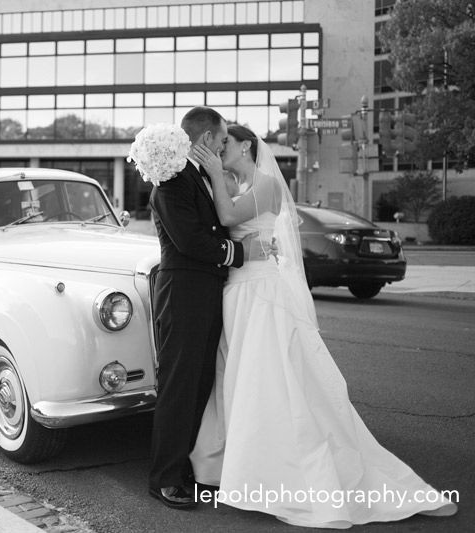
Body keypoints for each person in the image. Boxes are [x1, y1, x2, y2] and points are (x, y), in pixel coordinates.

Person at [189, 124, 458, 528]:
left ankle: (285, 474)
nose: (219, 149)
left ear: (246, 146)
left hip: (262, 294)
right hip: (236, 294)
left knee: (273, 382)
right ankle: (229, 467)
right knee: (237, 380)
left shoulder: (266, 185)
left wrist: (212, 176)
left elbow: (228, 216)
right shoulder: (233, 182)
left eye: (226, 143)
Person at [147, 106, 249, 510]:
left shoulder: (198, 176)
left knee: (200, 383)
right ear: (206, 138)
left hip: (206, 291)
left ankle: (184, 467)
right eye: (223, 140)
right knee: (179, 386)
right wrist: (241, 252)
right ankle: (164, 478)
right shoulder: (171, 179)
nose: (224, 146)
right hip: (183, 292)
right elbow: (191, 241)